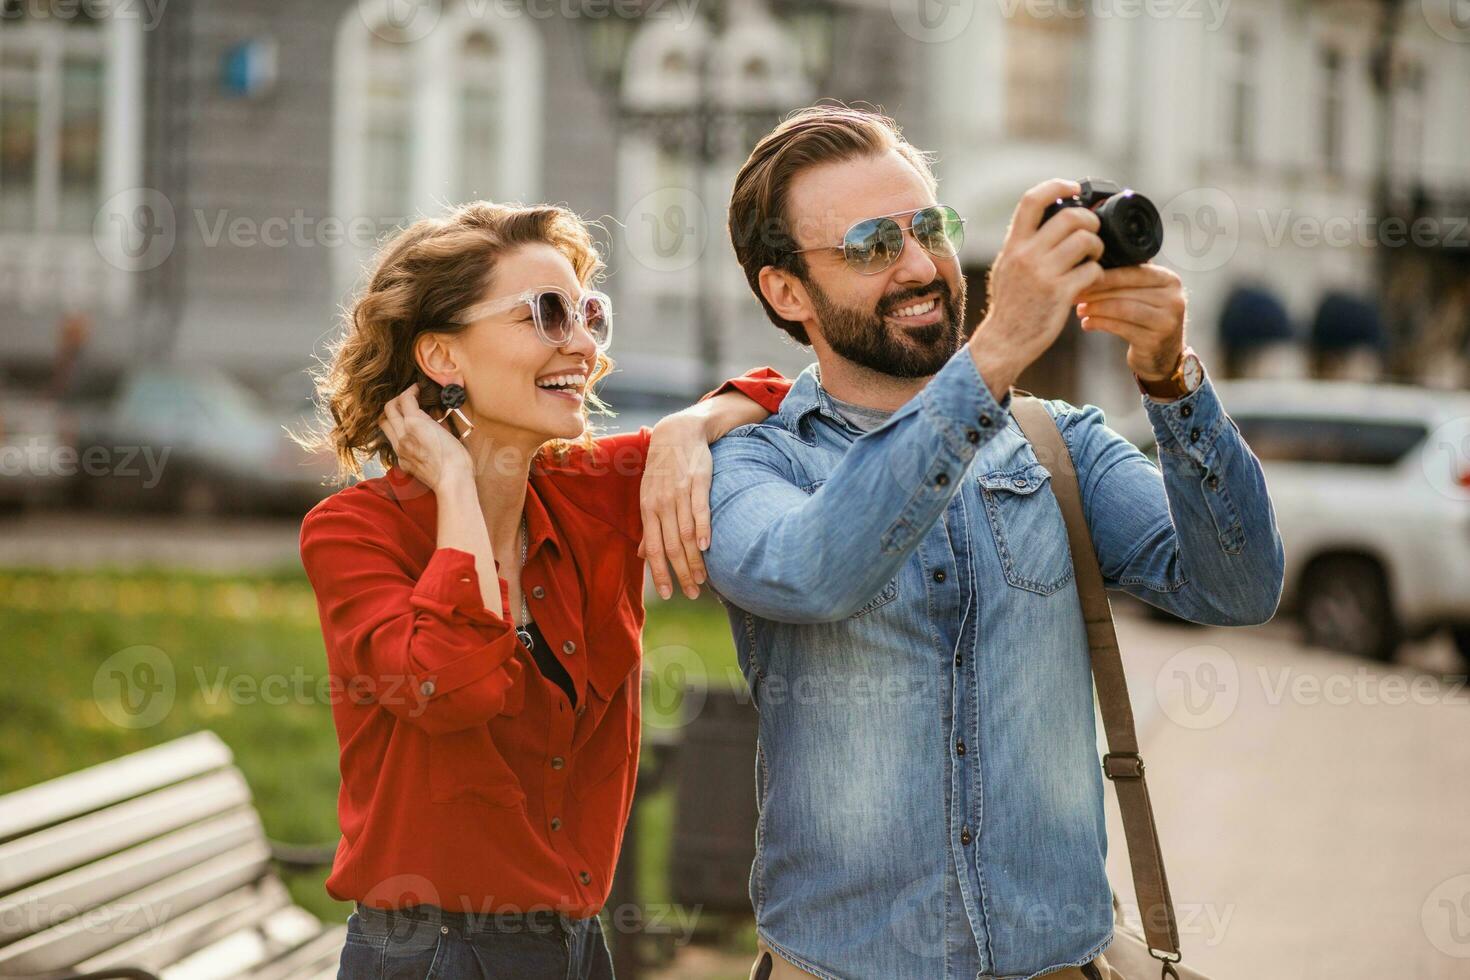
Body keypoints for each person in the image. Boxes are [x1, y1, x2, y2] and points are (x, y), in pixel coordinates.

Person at [701, 105, 1285, 980]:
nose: (919, 265)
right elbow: (811, 573)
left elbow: (1238, 591)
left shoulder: (1059, 444)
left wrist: (1171, 378)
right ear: (786, 291)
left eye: (927, 228)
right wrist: (998, 349)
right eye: (869, 245)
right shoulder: (749, 463)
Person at [296, 201, 790, 979]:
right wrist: (458, 489)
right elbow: (450, 685)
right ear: (442, 356)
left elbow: (791, 400)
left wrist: (685, 430)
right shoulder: (354, 532)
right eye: (545, 314)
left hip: (575, 947)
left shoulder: (591, 492)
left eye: (590, 314)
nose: (584, 344)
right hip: (431, 956)